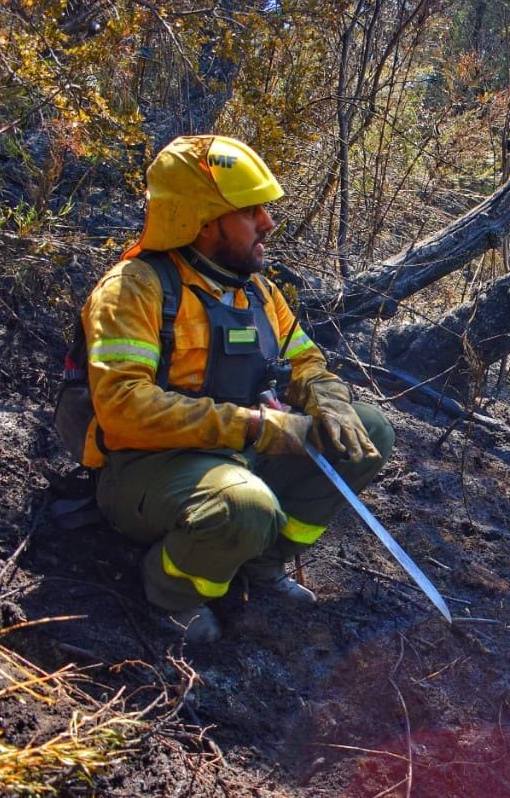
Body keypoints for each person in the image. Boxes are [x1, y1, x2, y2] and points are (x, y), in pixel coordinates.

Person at [81, 135, 394, 644]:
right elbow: (122, 408)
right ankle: (173, 589)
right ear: (202, 222)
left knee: (370, 430)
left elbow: (304, 361)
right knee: (243, 507)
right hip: (147, 470)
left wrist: (327, 398)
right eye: (251, 212)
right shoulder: (134, 289)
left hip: (237, 453)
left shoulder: (259, 292)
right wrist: (256, 428)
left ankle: (260, 564)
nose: (268, 222)